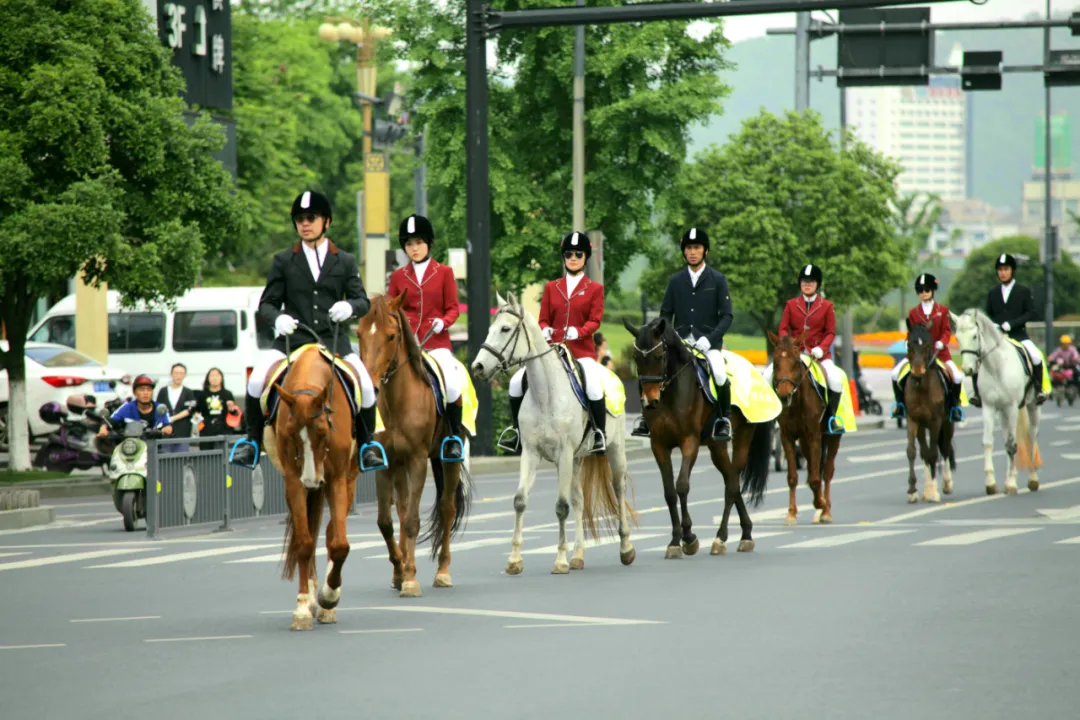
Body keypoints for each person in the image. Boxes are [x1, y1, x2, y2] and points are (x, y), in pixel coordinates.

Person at [229, 190, 387, 472]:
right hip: (292, 341)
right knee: (255, 383)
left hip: (333, 341)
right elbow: (267, 303)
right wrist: (277, 319)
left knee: (364, 385)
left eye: (311, 218)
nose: (305, 224)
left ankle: (366, 445)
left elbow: (362, 301)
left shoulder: (345, 261)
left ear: (326, 222)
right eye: (300, 219)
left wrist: (349, 308)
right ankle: (251, 442)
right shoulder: (283, 260)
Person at [499, 231, 607, 455]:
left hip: (581, 353)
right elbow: (544, 318)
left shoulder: (595, 289)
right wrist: (545, 328)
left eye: (578, 254)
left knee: (595, 387)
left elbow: (595, 320)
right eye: (569, 254)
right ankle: (517, 433)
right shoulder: (551, 287)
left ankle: (599, 434)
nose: (573, 258)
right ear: (564, 257)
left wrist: (579, 331)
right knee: (516, 382)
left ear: (585, 256)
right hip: (552, 352)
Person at [633, 227, 733, 440]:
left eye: (696, 248)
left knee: (719, 373)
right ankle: (645, 417)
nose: (692, 252)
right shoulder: (675, 281)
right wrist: (667, 334)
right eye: (688, 248)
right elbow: (665, 314)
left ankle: (723, 420)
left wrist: (709, 339)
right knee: (650, 366)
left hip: (707, 344)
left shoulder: (718, 279)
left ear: (705, 251)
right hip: (678, 343)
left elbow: (726, 317)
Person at [386, 214, 465, 461]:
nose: (415, 248)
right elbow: (390, 309)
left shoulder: (444, 272)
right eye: (409, 244)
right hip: (407, 346)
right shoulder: (398, 277)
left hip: (436, 344)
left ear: (428, 243)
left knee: (451, 385)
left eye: (419, 242)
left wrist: (445, 321)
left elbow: (453, 307)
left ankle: (452, 436)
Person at [774, 264, 846, 435]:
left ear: (817, 284)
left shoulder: (827, 306)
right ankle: (774, 415)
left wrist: (821, 349)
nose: (807, 285)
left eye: (811, 282)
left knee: (835, 379)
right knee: (768, 374)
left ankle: (830, 418)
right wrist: (788, 343)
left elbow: (830, 332)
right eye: (804, 282)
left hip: (819, 355)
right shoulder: (791, 305)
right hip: (795, 353)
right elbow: (783, 328)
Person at [974, 252, 1046, 407]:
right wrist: (991, 325)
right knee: (978, 358)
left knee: (1036, 357)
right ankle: (977, 393)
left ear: (1012, 270)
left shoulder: (1023, 291)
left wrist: (1012, 324)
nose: (1002, 272)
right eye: (1000, 270)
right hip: (998, 337)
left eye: (1006, 269)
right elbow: (989, 314)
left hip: (1018, 335)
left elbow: (1031, 312)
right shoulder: (993, 292)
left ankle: (1038, 389)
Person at [890, 274, 965, 423]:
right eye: (920, 290)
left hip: (940, 353)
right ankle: (900, 405)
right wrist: (907, 341)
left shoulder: (942, 311)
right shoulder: (913, 312)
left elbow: (946, 331)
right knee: (894, 373)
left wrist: (942, 342)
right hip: (918, 354)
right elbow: (911, 332)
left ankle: (954, 407)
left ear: (933, 290)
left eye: (926, 289)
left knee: (957, 376)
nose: (923, 292)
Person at [97, 375, 173, 438]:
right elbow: (111, 420)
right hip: (131, 447)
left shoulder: (160, 408)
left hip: (156, 449)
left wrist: (167, 429)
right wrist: (103, 427)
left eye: (149, 390)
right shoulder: (127, 407)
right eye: (142, 390)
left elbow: (168, 424)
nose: (146, 393)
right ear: (134, 392)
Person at [156, 363, 196, 453]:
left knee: (180, 457)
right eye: (176, 373)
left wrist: (172, 418)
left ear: (185, 375)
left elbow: (190, 409)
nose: (178, 376)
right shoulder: (163, 391)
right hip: (165, 430)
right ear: (171, 374)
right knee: (165, 456)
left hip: (182, 430)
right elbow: (158, 409)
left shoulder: (188, 392)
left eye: (181, 373)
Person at [196, 367, 237, 438]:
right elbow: (196, 411)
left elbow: (234, 413)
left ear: (221, 378)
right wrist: (200, 422)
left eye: (217, 375)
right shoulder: (202, 395)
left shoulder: (227, 394)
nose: (215, 378)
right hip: (206, 430)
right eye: (212, 375)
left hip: (224, 429)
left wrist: (232, 410)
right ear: (208, 379)